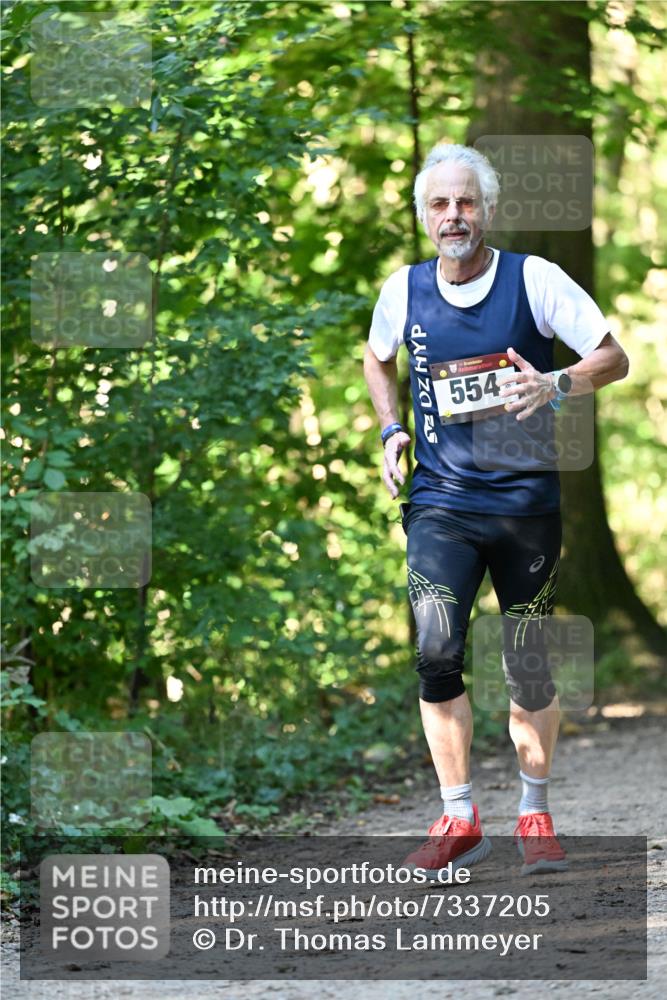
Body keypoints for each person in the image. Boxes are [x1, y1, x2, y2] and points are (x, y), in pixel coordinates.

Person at [363, 143, 629, 877]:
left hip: (523, 506)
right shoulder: (403, 290)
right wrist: (391, 431)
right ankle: (458, 816)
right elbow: (375, 356)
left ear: (487, 208)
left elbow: (613, 357)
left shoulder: (533, 279)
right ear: (424, 215)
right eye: (440, 204)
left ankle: (534, 812)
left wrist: (555, 384)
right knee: (435, 648)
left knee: (527, 667)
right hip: (440, 503)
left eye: (466, 202)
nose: (454, 216)